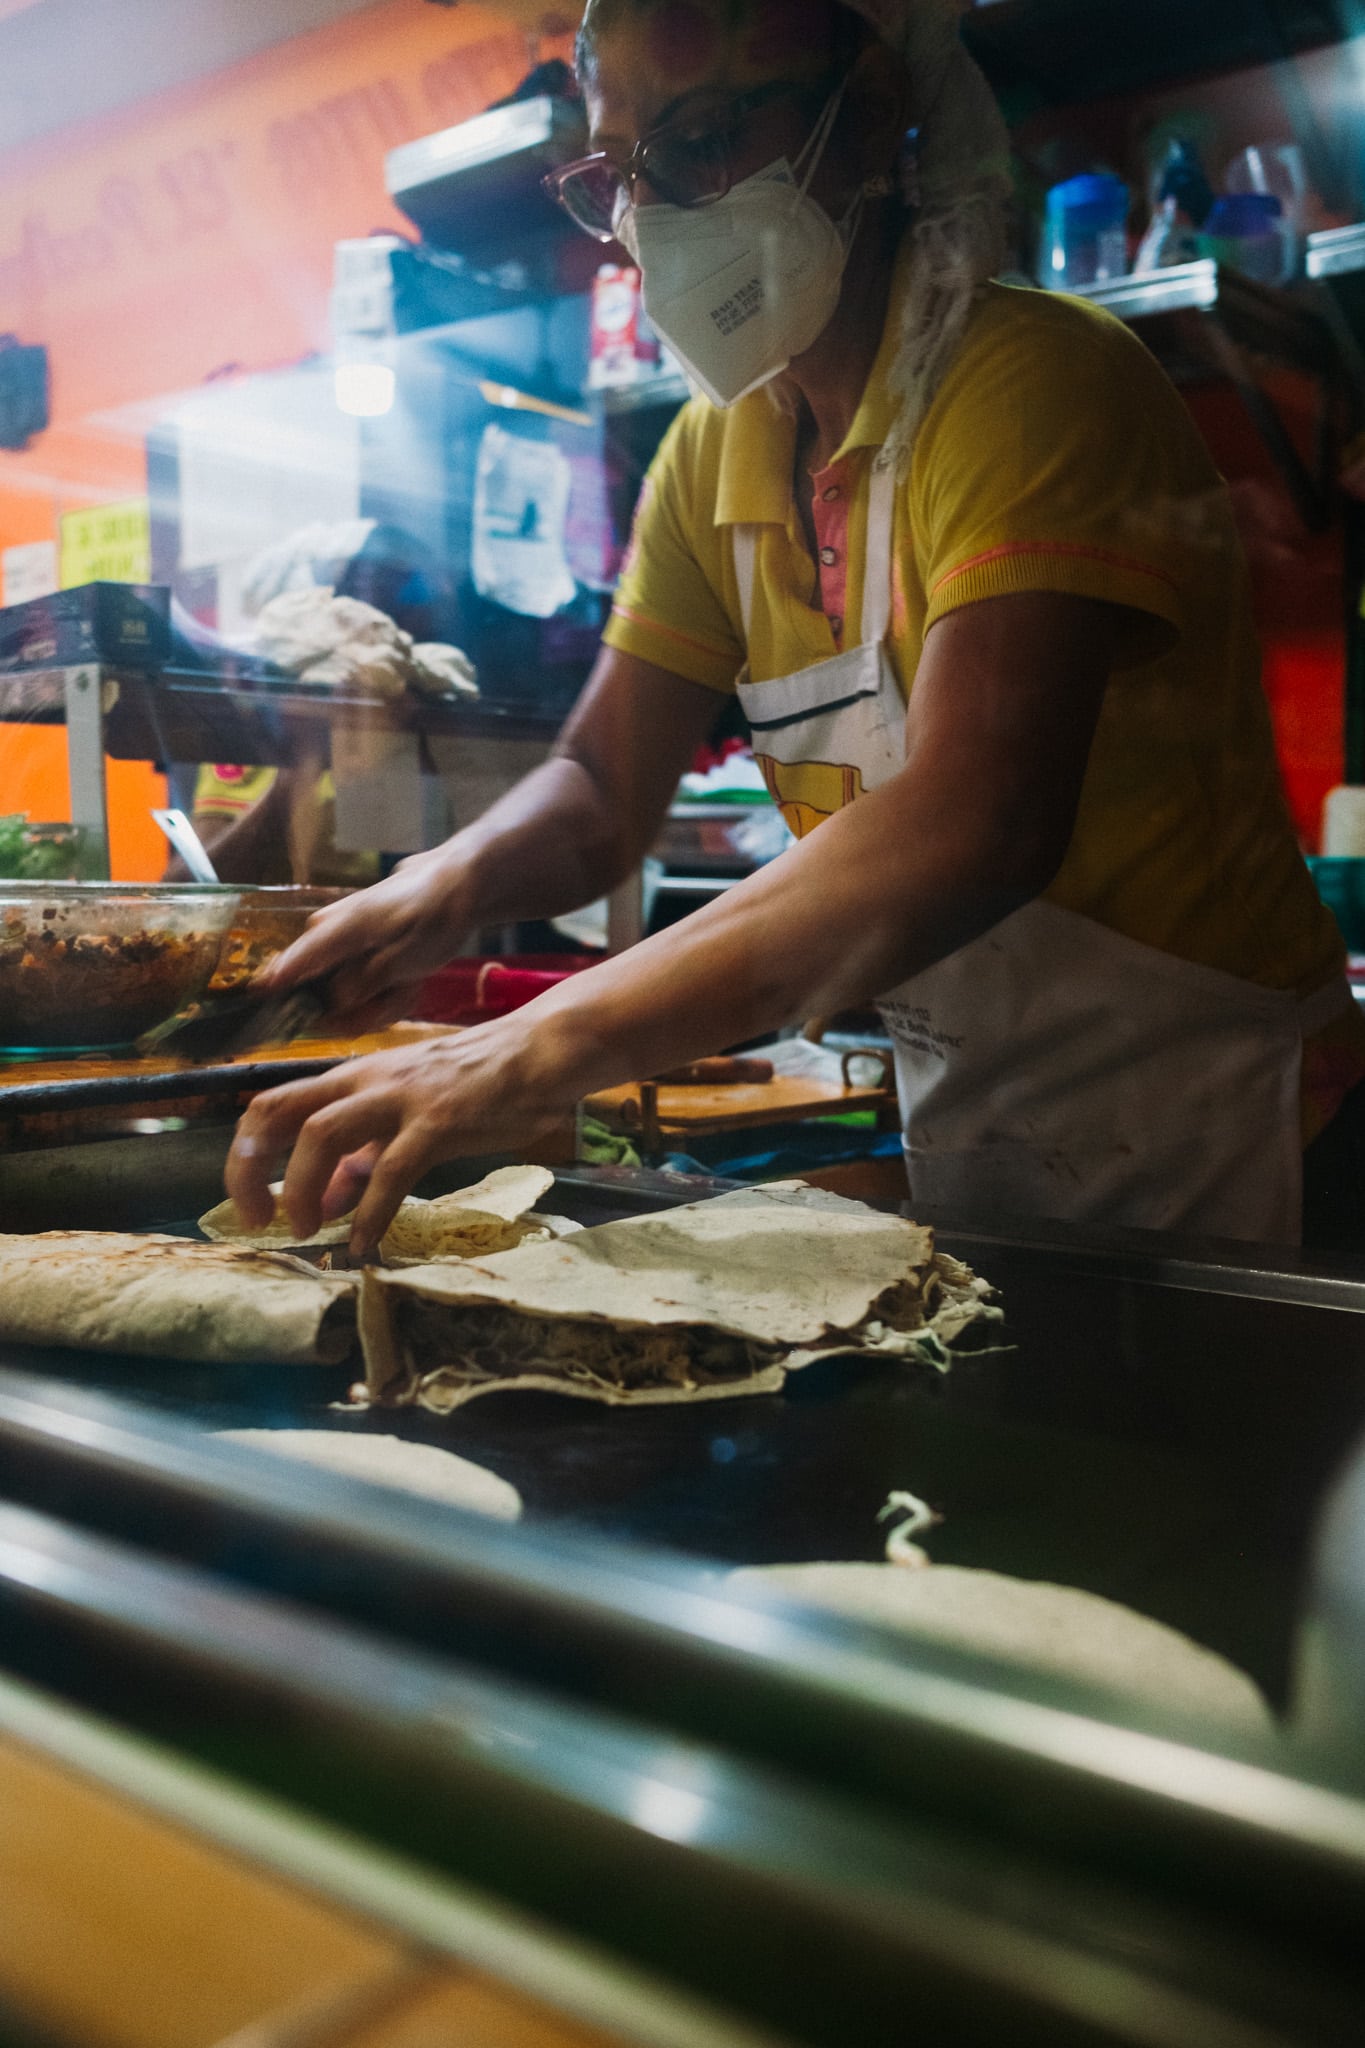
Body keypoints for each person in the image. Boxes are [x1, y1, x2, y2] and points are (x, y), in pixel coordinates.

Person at [226, 0, 1365, 1257]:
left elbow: (977, 822)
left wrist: (532, 1046)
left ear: (870, 116)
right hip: (989, 1142)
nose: (653, 215)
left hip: (1245, 1142)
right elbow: (602, 785)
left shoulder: (1030, 384)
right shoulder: (717, 451)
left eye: (701, 140)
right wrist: (430, 890)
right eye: (619, 174)